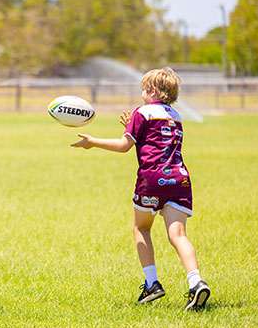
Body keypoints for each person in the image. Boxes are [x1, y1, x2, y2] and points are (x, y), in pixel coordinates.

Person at [71, 67, 211, 311]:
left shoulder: (142, 112)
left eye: (144, 90)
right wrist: (132, 126)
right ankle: (196, 282)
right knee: (178, 236)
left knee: (141, 227)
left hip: (153, 179)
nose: (141, 94)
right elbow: (155, 139)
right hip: (179, 179)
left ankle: (152, 283)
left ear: (153, 91)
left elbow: (124, 145)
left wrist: (92, 142)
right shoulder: (176, 115)